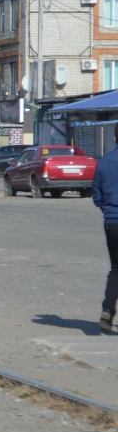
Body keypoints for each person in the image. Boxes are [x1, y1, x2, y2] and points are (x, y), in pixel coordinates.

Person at [93, 125, 118, 332]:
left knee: (116, 268)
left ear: (115, 137)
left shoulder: (104, 162)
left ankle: (108, 310)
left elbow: (97, 198)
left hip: (112, 222)